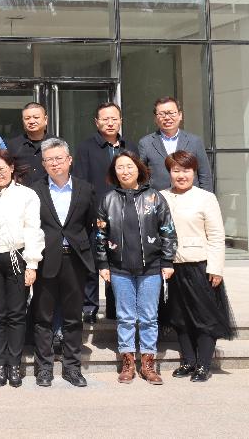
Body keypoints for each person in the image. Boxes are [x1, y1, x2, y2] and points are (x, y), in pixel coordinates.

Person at [96, 150, 176, 385]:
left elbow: (168, 231)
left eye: (129, 166)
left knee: (149, 317)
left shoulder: (154, 197)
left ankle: (148, 364)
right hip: (119, 268)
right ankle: (128, 362)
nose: (125, 171)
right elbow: (100, 235)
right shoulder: (108, 199)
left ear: (138, 169)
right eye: (120, 167)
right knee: (125, 317)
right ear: (114, 172)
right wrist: (102, 263)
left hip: (150, 267)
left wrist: (167, 261)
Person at [161, 151, 236, 383]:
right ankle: (188, 361)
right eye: (176, 170)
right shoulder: (161, 196)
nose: (181, 175)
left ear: (194, 172)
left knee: (204, 317)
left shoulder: (206, 198)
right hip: (172, 267)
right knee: (179, 317)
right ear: (169, 173)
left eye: (186, 170)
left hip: (200, 267)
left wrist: (216, 268)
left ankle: (203, 365)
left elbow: (216, 235)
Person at [30, 138, 96, 388]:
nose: (54, 163)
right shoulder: (34, 190)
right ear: (43, 164)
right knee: (43, 317)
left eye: (59, 158)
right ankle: (44, 368)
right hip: (46, 259)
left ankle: (72, 368)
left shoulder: (85, 189)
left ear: (69, 160)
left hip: (75, 259)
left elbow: (90, 224)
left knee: (73, 318)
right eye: (49, 160)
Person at [0, 149, 43, 388]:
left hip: (17, 258)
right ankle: (0, 363)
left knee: (17, 314)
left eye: (1, 168)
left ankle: (15, 364)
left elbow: (33, 230)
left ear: (11, 168)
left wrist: (32, 264)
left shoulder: (27, 195)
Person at [74, 101, 135, 322]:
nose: (110, 123)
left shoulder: (130, 147)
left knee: (119, 264)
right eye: (105, 119)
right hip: (96, 216)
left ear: (121, 121)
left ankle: (114, 307)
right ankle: (89, 307)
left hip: (125, 216)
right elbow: (81, 182)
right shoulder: (86, 148)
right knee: (92, 264)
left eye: (114, 119)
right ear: (97, 122)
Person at [138, 96, 213, 192]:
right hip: (159, 197)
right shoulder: (146, 143)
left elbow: (205, 175)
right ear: (156, 118)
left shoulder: (195, 141)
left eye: (171, 113)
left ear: (180, 115)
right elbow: (141, 175)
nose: (167, 117)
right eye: (161, 114)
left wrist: (206, 197)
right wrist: (147, 196)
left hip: (190, 197)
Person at [5, 102, 52, 185]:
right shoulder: (13, 145)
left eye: (36, 117)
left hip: (50, 191)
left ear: (45, 119)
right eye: (27, 118)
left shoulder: (56, 144)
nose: (31, 121)